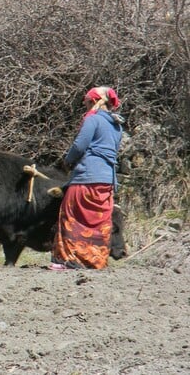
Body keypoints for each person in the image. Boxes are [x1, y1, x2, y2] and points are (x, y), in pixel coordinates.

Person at [51, 86, 124, 270]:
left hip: (86, 177)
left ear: (93, 101)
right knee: (99, 220)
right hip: (107, 179)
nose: (85, 107)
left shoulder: (92, 120)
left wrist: (68, 161)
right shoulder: (117, 125)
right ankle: (95, 260)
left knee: (71, 215)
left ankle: (70, 259)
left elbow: (80, 145)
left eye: (86, 103)